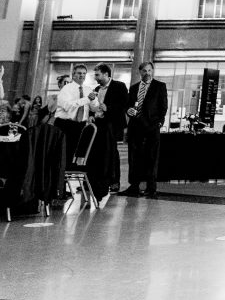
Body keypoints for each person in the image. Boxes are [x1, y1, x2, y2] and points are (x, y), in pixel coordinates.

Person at [121, 61, 168, 198]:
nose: (147, 73)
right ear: (139, 72)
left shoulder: (160, 86)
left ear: (152, 71)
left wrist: (159, 122)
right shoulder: (134, 87)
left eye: (149, 70)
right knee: (134, 157)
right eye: (144, 71)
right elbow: (128, 104)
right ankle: (134, 186)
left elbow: (163, 107)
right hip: (135, 127)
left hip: (152, 127)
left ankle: (151, 187)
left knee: (151, 158)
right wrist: (128, 110)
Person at [93, 63, 129, 192]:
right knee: (97, 153)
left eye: (97, 74)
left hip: (112, 125)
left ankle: (114, 182)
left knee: (112, 153)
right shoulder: (96, 89)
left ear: (106, 74)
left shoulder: (119, 86)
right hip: (98, 125)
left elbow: (125, 104)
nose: (95, 77)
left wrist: (108, 108)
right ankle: (98, 181)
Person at [54, 64, 99, 163]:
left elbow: (95, 108)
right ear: (73, 74)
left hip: (80, 125)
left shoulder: (88, 89)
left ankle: (70, 174)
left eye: (84, 73)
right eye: (79, 73)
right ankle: (61, 175)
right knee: (62, 154)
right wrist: (87, 99)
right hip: (65, 124)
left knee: (75, 154)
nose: (82, 75)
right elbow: (68, 106)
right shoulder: (66, 89)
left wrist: (93, 101)